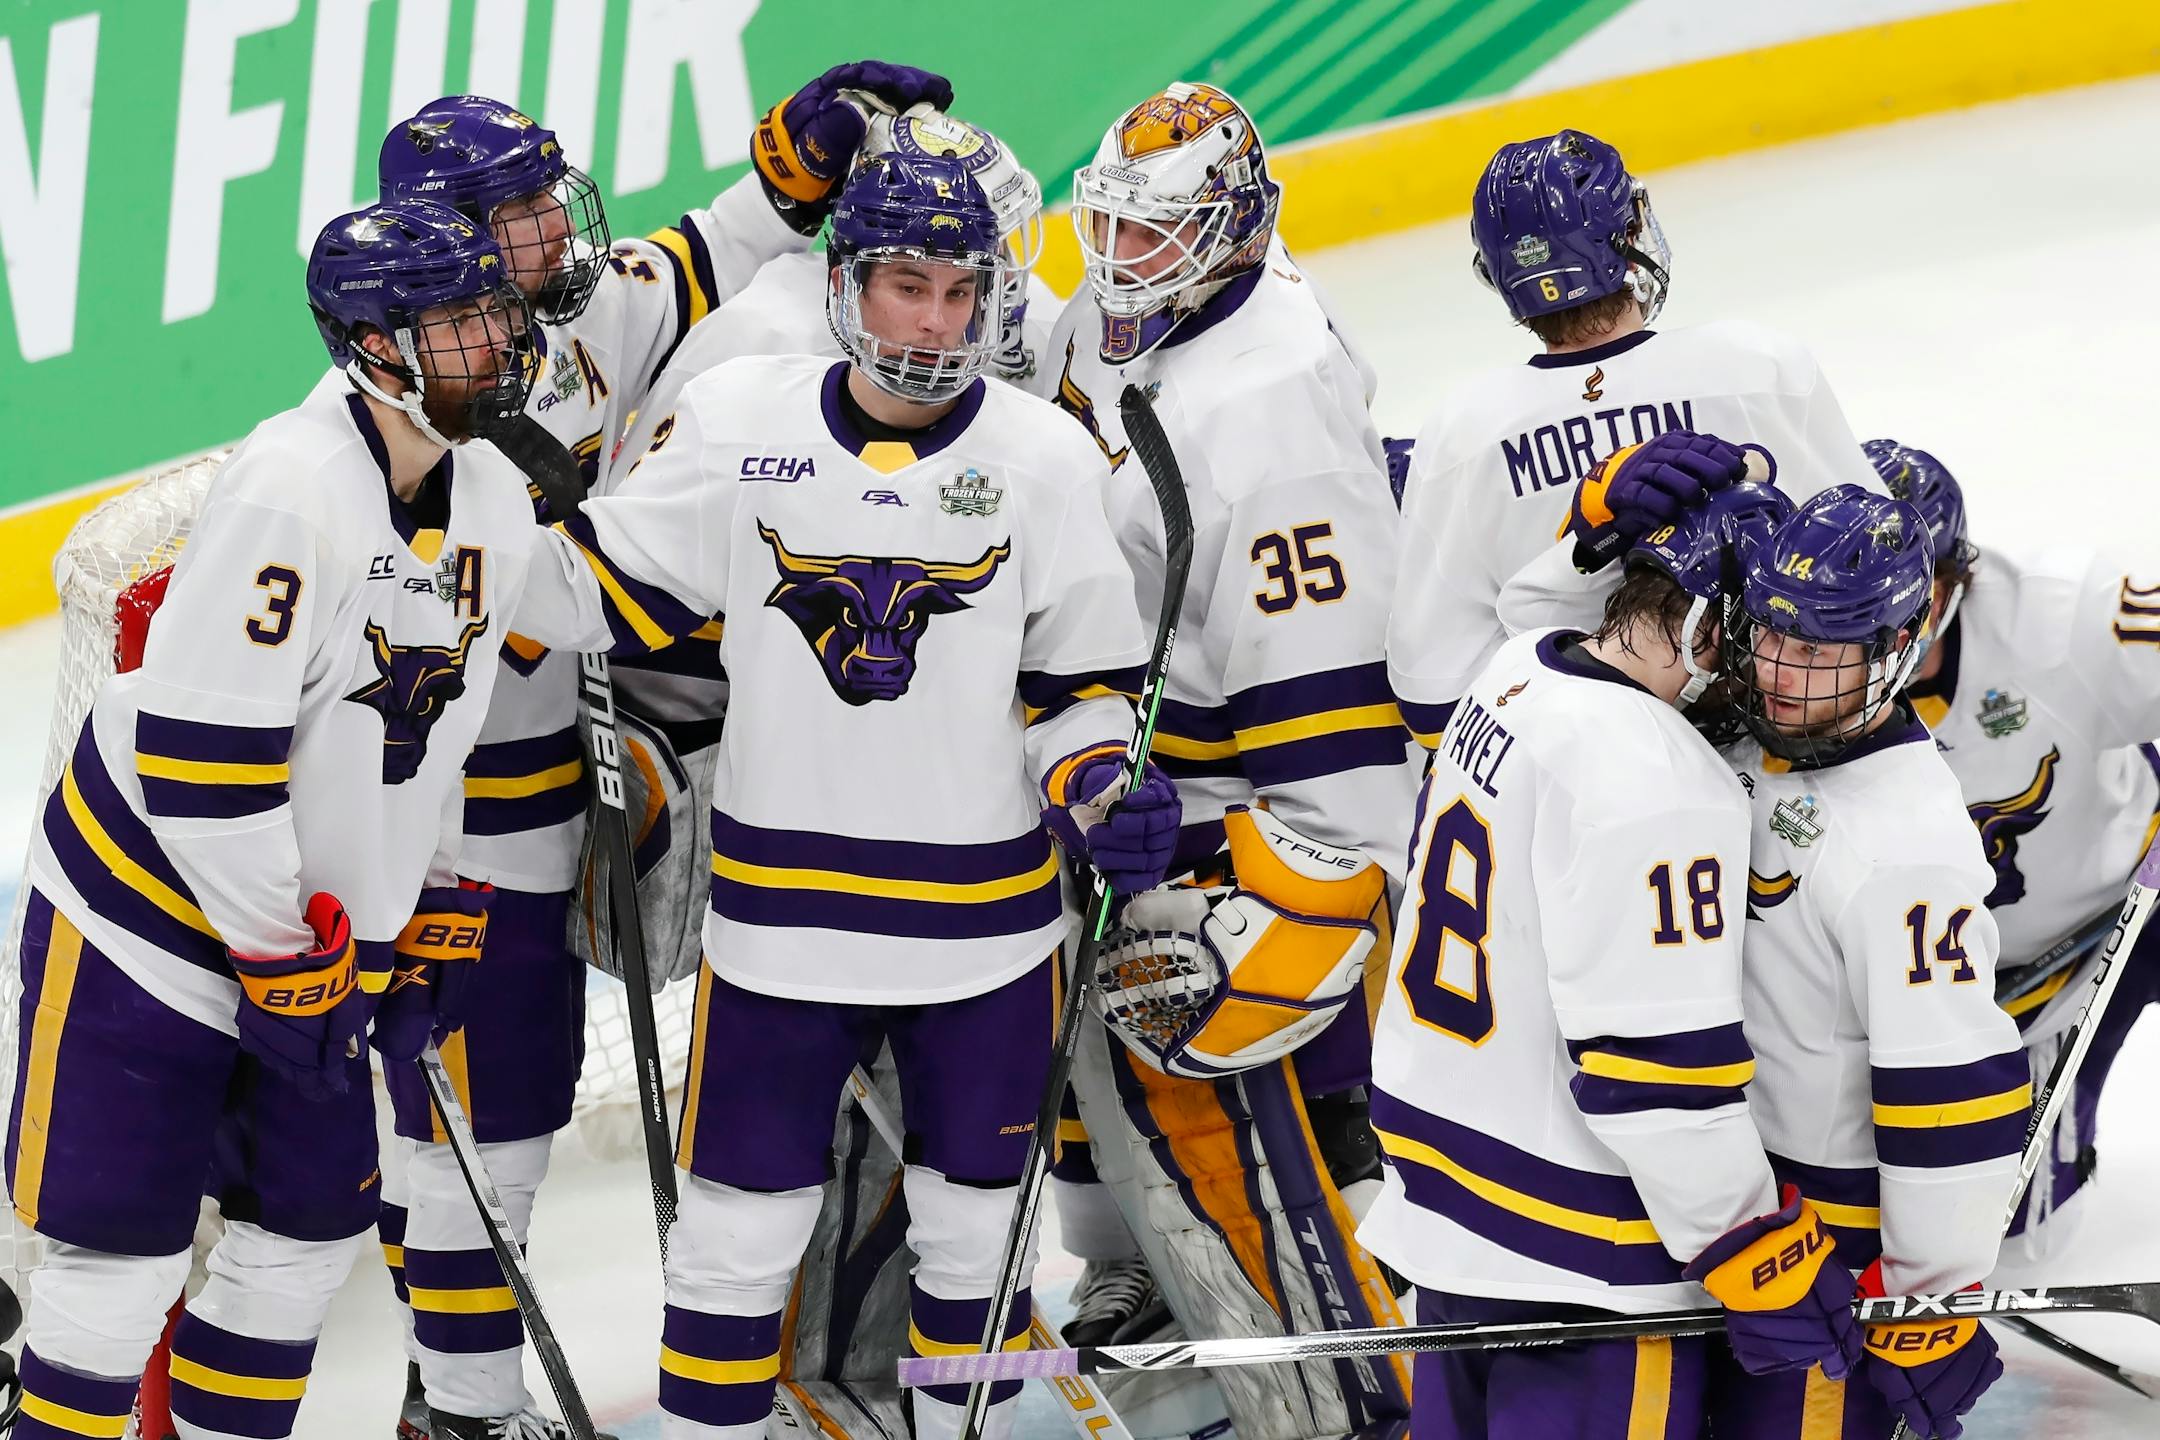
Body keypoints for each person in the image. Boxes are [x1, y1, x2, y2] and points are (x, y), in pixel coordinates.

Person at [507, 152, 1179, 1440]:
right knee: (727, 1253)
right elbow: (589, 596)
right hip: (777, 936)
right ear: (843, 284)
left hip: (983, 939)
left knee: (977, 1259)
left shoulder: (1045, 458)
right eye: (904, 286)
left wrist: (1102, 789)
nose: (932, 320)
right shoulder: (742, 426)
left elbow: (1076, 690)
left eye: (956, 291)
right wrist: (440, 517)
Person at [363, 62, 951, 1439]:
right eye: (520, 217)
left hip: (563, 800)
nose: (557, 233)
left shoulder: (553, 321)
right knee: (480, 1148)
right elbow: (437, 647)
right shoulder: (403, 416)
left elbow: (705, 252)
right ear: (452, 244)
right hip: (451, 840)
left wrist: (790, 164)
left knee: (516, 1115)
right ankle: (455, 1409)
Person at [5, 202, 548, 1440]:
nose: (496, 341)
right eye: (460, 320)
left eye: (493, 311)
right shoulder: (289, 490)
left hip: (298, 942)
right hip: (143, 917)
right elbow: (203, 770)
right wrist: (283, 962)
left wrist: (424, 918)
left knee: (306, 1240)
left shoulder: (493, 505)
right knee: (113, 1275)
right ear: (373, 345)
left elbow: (432, 740)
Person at [1023, 81, 1419, 1438]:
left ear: (1239, 232)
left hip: (1200, 863)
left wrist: (1307, 908)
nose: (1119, 264)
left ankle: (1340, 1405)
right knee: (1123, 1213)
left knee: (1256, 1197)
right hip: (1105, 820)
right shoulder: (1154, 320)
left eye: (1159, 236)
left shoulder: (1266, 407)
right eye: (1112, 230)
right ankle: (1165, 1326)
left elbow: (1333, 725)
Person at [1363, 478, 1867, 1438]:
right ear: (1709, 629)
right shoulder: (1660, 788)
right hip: (1580, 1257)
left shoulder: (1513, 670)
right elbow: (1656, 1074)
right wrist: (1750, 1239)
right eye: (1763, 643)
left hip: (1445, 1202)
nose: (1772, 678)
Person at [1389, 128, 1880, 744]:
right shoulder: (1757, 368)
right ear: (1627, 237)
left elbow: (1432, 697)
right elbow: (1878, 567)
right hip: (1788, 765)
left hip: (1585, 776)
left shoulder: (1463, 432)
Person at [1714, 484, 2028, 1440]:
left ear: (1893, 655)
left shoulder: (1907, 848)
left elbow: (1951, 1092)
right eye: (1769, 632)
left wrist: (1927, 1296)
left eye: (1814, 651)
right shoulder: (1753, 738)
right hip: (1736, 1216)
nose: (1778, 668)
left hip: (1830, 1263)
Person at [1871, 440, 2160, 1270]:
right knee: (2012, 1227)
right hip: (1986, 978)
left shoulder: (2062, 615)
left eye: (1909, 592)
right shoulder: (1791, 656)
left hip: (2127, 897)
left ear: (1958, 578)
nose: (1886, 619)